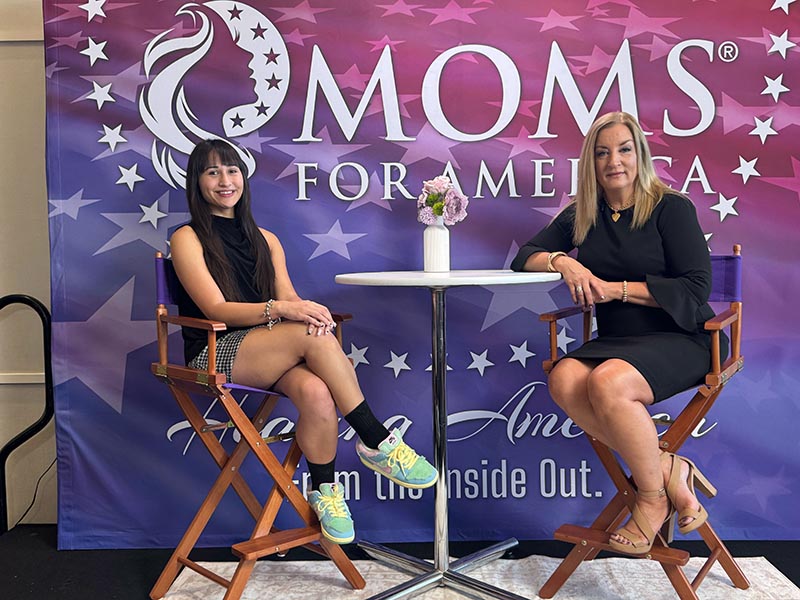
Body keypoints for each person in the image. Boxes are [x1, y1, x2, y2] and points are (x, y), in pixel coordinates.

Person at [170, 139, 436, 545]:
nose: (225, 180)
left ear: (243, 177)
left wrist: (308, 311)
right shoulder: (187, 237)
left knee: (316, 388)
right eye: (212, 172)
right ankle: (375, 439)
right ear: (197, 181)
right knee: (307, 335)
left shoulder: (266, 239)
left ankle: (325, 491)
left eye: (232, 170)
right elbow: (216, 308)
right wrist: (283, 310)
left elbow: (288, 298)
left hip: (267, 347)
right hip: (214, 350)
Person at [511, 112, 723, 555]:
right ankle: (667, 468)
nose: (614, 161)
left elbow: (696, 288)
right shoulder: (583, 214)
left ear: (639, 154)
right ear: (591, 162)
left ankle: (651, 498)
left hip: (681, 336)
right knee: (564, 379)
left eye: (624, 149)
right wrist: (563, 262)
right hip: (617, 340)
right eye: (602, 153)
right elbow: (525, 255)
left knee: (608, 382)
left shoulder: (671, 207)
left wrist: (615, 289)